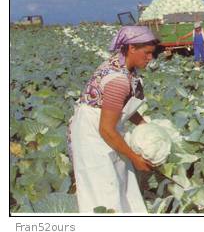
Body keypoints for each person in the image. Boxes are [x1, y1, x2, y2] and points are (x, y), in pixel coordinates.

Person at [67, 26, 159, 213]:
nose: (150, 58)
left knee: (119, 179)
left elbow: (122, 107)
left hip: (105, 126)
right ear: (132, 48)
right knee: (104, 188)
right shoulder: (117, 80)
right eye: (147, 53)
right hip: (93, 134)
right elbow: (106, 130)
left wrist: (144, 125)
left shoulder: (125, 66)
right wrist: (134, 157)